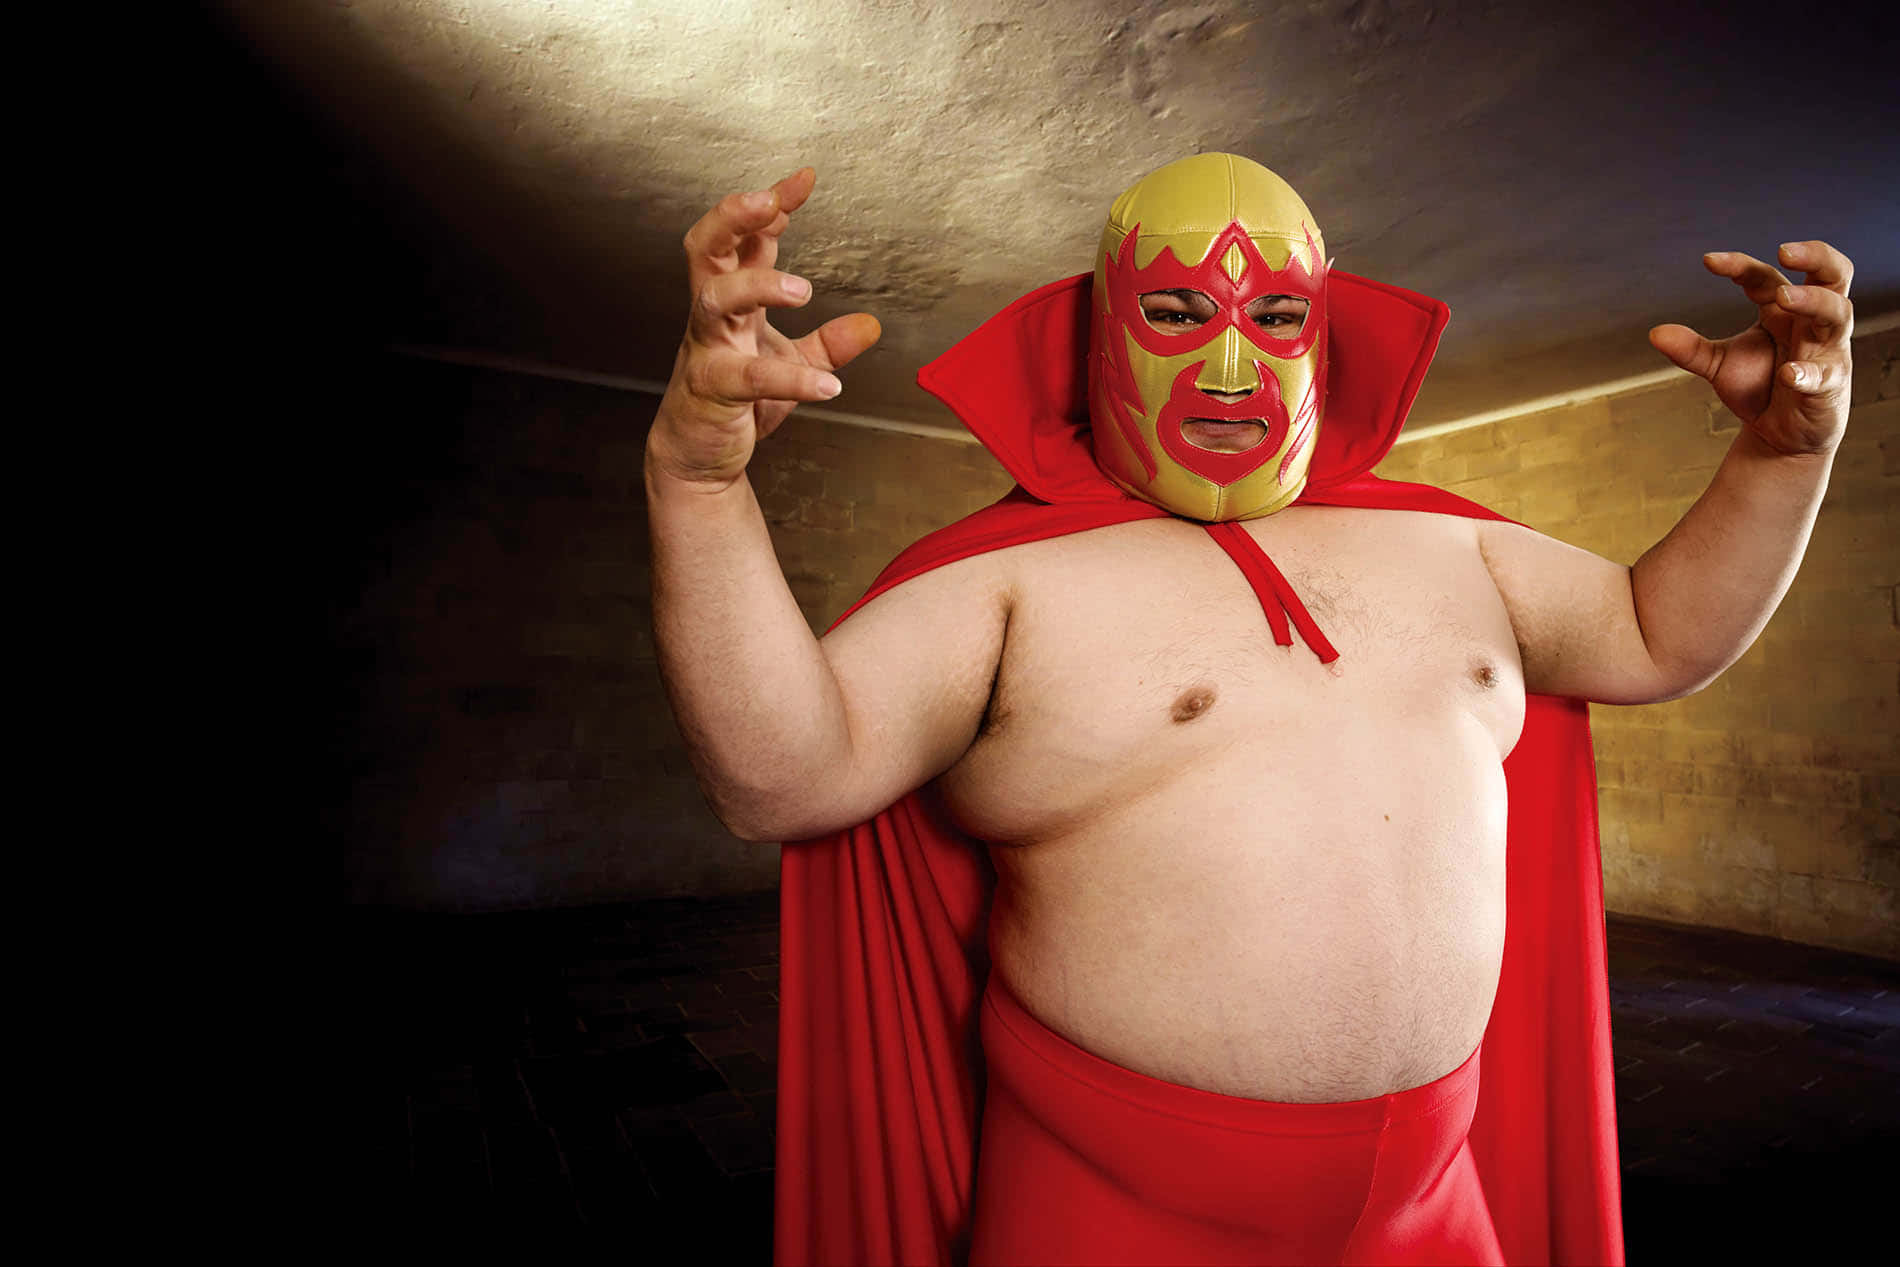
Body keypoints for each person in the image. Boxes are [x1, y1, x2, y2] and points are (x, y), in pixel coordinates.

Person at [645, 154, 1854, 1266]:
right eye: (1176, 311)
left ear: (1320, 332)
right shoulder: (999, 577)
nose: (1230, 364)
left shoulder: (1458, 544)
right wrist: (697, 484)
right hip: (1110, 1199)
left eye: (1274, 315)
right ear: (1102, 335)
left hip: (1435, 1189)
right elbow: (784, 779)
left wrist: (1783, 458)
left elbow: (1655, 637)